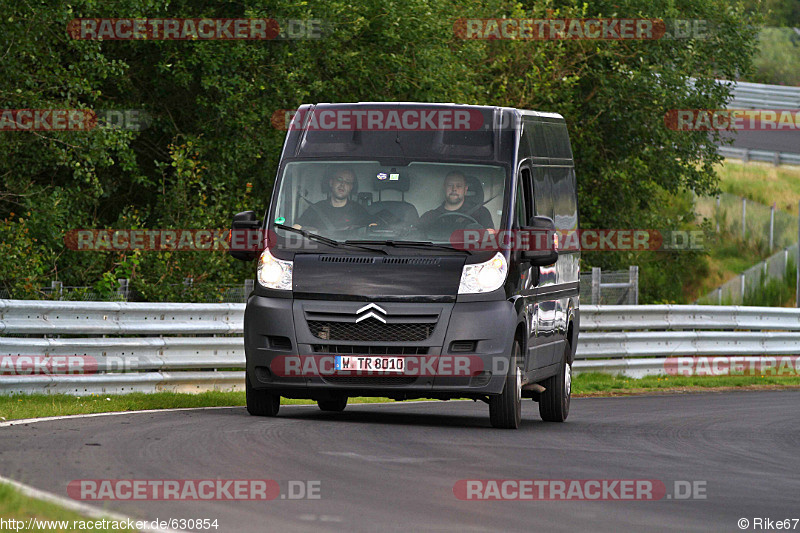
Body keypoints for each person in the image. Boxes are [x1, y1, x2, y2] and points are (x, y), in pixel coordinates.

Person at [294, 167, 371, 231]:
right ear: (331, 183)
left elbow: (373, 227)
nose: (343, 184)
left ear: (351, 187)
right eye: (339, 180)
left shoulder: (358, 210)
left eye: (348, 182)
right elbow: (296, 228)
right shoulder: (316, 209)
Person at [418, 171, 495, 231]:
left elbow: (492, 239)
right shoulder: (430, 217)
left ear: (465, 190)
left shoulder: (481, 213)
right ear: (444, 188)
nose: (454, 189)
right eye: (450, 185)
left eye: (459, 186)